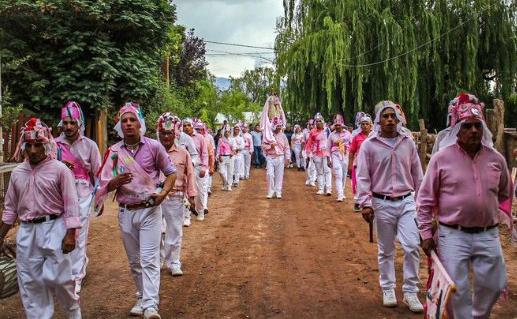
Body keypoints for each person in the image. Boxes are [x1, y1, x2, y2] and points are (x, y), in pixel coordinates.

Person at [417, 93, 512, 319]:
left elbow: (505, 191)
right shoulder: (441, 158)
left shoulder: (496, 159)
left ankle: (477, 316)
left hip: (488, 234)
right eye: (467, 126)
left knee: (495, 283)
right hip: (453, 234)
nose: (473, 131)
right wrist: (425, 232)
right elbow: (425, 199)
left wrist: (484, 209)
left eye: (477, 126)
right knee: (456, 289)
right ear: (457, 129)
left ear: (484, 128)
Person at [95, 103, 176, 319]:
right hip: (125, 211)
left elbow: (171, 173)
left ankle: (151, 305)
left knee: (149, 258)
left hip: (149, 210)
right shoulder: (113, 152)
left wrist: (163, 194)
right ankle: (141, 296)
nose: (129, 124)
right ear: (120, 126)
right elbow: (102, 184)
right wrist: (115, 181)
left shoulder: (154, 147)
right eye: (124, 121)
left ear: (140, 123)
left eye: (132, 120)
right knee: (134, 260)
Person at [0, 118, 82, 319]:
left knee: (60, 280)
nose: (33, 150)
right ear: (24, 146)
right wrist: (0, 236)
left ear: (47, 145)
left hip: (55, 227)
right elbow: (10, 209)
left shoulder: (60, 170)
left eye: (38, 145)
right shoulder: (18, 173)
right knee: (30, 282)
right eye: (29, 145)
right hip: (27, 232)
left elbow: (71, 205)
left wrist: (71, 234)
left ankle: (73, 312)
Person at [356, 101, 424, 313]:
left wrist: (422, 203)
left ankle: (411, 292)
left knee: (412, 246)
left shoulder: (408, 143)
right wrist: (365, 203)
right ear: (378, 120)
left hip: (406, 202)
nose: (389, 120)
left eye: (393, 116)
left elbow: (418, 175)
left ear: (399, 119)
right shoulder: (369, 145)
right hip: (381, 203)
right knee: (386, 250)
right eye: (385, 116)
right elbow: (363, 176)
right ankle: (388, 288)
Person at [55, 101, 101, 295]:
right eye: (65, 123)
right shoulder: (54, 145)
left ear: (79, 123)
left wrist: (98, 197)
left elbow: (99, 173)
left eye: (72, 123)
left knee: (78, 235)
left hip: (82, 194)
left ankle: (75, 277)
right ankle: (65, 271)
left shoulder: (90, 145)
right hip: (58, 195)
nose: (68, 127)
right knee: (59, 234)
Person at [157, 113, 196, 277]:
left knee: (175, 230)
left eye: (169, 133)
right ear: (159, 133)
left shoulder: (183, 153)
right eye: (163, 133)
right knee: (156, 231)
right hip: (155, 198)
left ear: (175, 134)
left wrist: (192, 195)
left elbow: (190, 174)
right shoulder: (152, 150)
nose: (166, 137)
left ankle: (174, 262)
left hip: (176, 197)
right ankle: (157, 261)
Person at [183, 118, 209, 221]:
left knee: (199, 190)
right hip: (184, 169)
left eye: (188, 125)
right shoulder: (180, 138)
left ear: (192, 126)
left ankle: (201, 211)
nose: (186, 127)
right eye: (184, 125)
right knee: (184, 191)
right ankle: (187, 216)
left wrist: (204, 167)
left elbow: (205, 154)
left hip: (197, 168)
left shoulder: (200, 137)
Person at [348, 114, 373, 211]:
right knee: (359, 183)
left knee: (372, 183)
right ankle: (358, 202)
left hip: (372, 163)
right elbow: (351, 152)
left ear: (370, 125)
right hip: (359, 163)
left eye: (367, 124)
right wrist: (350, 165)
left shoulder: (374, 136)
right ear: (360, 125)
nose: (365, 126)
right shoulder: (356, 137)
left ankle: (370, 203)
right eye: (363, 124)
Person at [262, 117, 290, 199]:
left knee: (279, 175)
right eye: (277, 126)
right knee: (270, 174)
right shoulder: (268, 135)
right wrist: (270, 146)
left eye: (280, 126)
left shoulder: (283, 136)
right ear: (273, 126)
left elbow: (287, 147)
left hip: (280, 157)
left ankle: (278, 191)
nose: (279, 127)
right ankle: (270, 191)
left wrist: (288, 158)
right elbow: (263, 146)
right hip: (270, 157)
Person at [305, 113, 332, 195]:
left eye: (320, 121)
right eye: (316, 121)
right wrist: (308, 154)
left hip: (326, 153)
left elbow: (330, 141)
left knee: (327, 170)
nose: (318, 122)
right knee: (319, 171)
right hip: (316, 153)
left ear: (323, 122)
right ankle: (321, 188)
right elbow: (309, 143)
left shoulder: (327, 130)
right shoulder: (312, 132)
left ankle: (328, 189)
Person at [328, 114, 352, 202]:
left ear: (342, 125)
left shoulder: (348, 134)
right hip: (335, 155)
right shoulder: (331, 135)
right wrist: (329, 159)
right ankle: (340, 195)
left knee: (344, 174)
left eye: (339, 125)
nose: (337, 126)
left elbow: (352, 145)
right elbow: (328, 148)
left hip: (345, 155)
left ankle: (342, 190)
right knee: (338, 174)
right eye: (336, 125)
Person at [303, 119, 317, 186]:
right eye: (310, 124)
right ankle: (308, 179)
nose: (311, 126)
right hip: (306, 150)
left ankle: (312, 180)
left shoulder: (316, 131)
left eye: (312, 124)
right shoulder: (305, 132)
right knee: (307, 165)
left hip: (314, 150)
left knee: (313, 166)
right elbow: (303, 141)